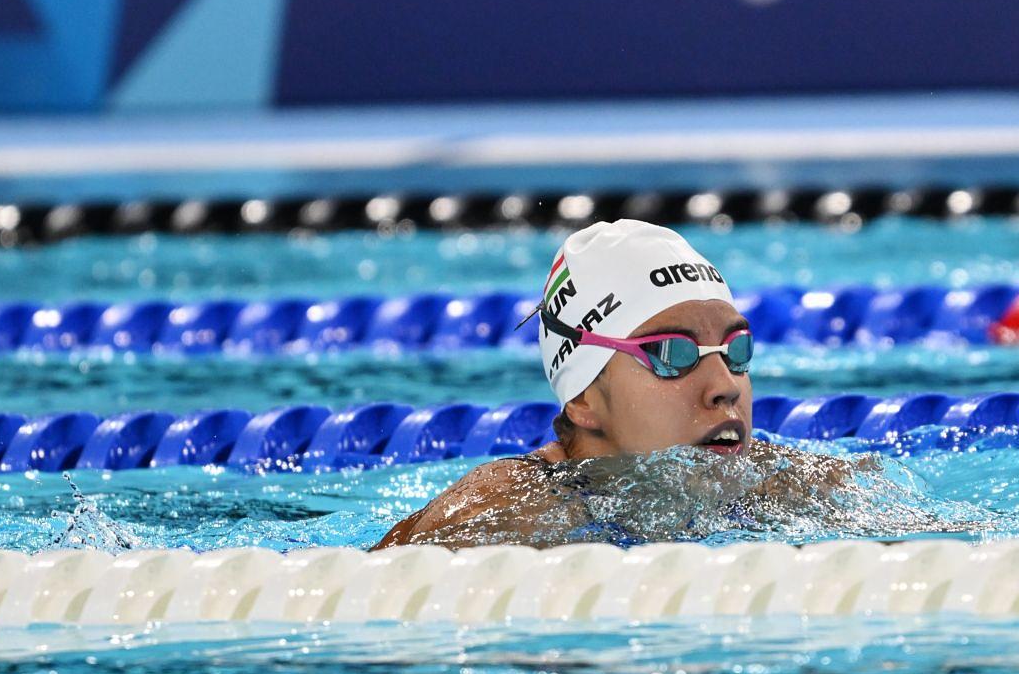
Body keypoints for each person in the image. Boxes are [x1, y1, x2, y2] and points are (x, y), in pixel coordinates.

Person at [374, 219, 876, 549]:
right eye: (670, 354)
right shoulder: (506, 512)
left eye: (735, 349)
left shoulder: (788, 485)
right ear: (583, 398)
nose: (725, 386)